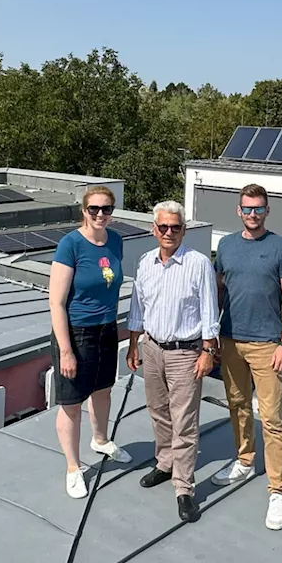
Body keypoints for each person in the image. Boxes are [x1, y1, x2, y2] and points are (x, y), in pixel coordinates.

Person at [212, 183, 282, 530]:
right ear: (238, 211)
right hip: (231, 339)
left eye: (258, 209)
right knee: (236, 404)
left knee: (273, 418)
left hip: (268, 344)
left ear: (267, 211)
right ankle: (245, 461)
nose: (252, 214)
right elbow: (218, 291)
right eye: (247, 209)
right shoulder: (226, 246)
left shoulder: (281, 248)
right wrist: (213, 337)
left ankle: (278, 491)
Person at [126, 201, 219, 523]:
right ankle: (164, 464)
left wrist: (208, 351)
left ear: (183, 230)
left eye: (175, 227)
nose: (168, 233)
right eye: (163, 227)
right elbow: (138, 307)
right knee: (158, 412)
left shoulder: (198, 264)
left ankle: (184, 488)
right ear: (154, 229)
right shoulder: (145, 262)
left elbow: (210, 309)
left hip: (185, 353)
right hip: (151, 348)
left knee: (184, 422)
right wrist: (133, 343)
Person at [49, 186, 132, 498]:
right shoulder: (70, 245)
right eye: (94, 209)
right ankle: (73, 466)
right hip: (76, 332)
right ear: (83, 211)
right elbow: (56, 303)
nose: (100, 214)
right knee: (72, 402)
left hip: (106, 328)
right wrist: (66, 350)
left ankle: (100, 439)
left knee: (103, 389)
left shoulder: (115, 241)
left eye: (106, 209)